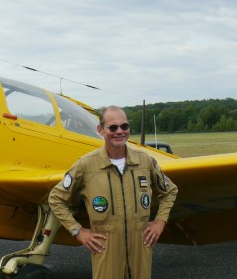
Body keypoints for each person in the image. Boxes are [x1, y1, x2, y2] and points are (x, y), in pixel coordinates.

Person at [48, 106, 178, 279]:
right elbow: (56, 198)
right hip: (105, 248)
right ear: (101, 130)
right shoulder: (86, 165)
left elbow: (170, 191)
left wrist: (160, 221)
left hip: (140, 246)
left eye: (124, 126)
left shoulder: (145, 161)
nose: (120, 132)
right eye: (113, 127)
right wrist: (77, 231)